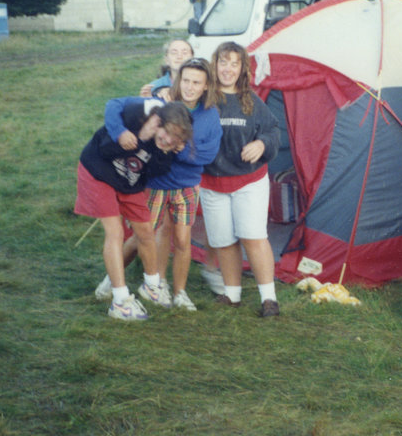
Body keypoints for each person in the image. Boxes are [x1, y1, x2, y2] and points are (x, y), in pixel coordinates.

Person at [76, 97, 193, 320]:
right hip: (98, 172)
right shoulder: (135, 116)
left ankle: (151, 286)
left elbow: (157, 171)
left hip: (129, 181)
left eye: (176, 138)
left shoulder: (168, 145)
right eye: (167, 133)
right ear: (158, 122)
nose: (168, 140)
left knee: (146, 231)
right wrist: (138, 137)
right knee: (116, 232)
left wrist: (165, 151)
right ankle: (120, 301)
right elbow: (106, 149)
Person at [200, 41, 282, 317]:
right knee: (224, 240)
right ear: (215, 65)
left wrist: (261, 144)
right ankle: (232, 294)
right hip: (212, 182)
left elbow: (272, 131)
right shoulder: (204, 98)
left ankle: (268, 298)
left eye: (235, 63)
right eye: (224, 62)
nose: (228, 69)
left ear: (242, 68)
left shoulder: (251, 100)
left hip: (249, 181)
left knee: (253, 236)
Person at [149, 57, 223, 310]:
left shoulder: (210, 114)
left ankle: (180, 291)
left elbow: (207, 155)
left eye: (197, 82)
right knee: (157, 232)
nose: (190, 87)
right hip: (157, 182)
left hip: (188, 184)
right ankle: (158, 284)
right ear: (179, 81)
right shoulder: (164, 103)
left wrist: (178, 148)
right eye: (187, 81)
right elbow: (152, 142)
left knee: (183, 239)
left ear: (206, 86)